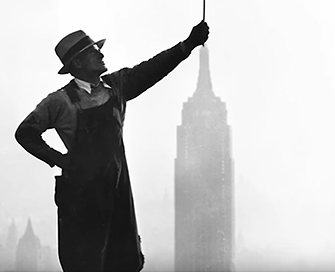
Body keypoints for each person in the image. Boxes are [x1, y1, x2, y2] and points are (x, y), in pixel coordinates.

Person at [15, 20, 210, 272]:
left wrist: (187, 45)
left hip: (117, 191)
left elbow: (151, 69)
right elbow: (25, 133)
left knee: (124, 261)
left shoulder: (116, 87)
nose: (101, 54)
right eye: (93, 52)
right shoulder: (59, 102)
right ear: (77, 63)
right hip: (83, 199)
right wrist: (59, 159)